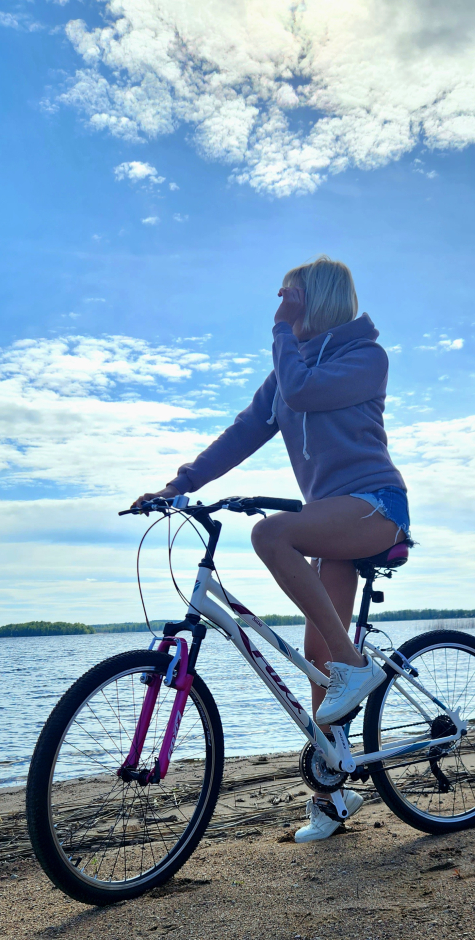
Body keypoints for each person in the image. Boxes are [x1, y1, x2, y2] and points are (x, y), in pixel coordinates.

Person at [133, 255, 411, 842]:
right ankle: (333, 797)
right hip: (331, 520)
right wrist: (179, 485)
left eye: (289, 295)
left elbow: (305, 393)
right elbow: (241, 433)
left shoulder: (365, 358)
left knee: (270, 533)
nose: (279, 304)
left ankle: (358, 667)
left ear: (317, 298)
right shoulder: (287, 374)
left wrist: (281, 332)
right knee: (318, 662)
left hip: (375, 507)